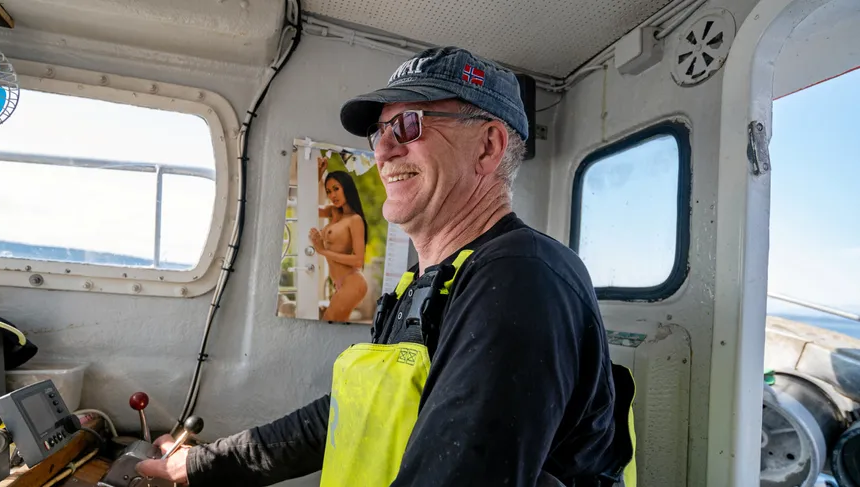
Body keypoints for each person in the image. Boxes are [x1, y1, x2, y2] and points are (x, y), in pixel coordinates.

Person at [136, 46, 635, 487]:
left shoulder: (521, 277)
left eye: (409, 125)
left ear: (488, 145)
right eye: (379, 131)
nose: (381, 148)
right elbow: (349, 416)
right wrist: (205, 465)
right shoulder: (425, 284)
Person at [308, 156, 369, 322]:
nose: (332, 195)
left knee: (326, 324)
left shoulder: (355, 220)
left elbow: (358, 260)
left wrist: (323, 251)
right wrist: (317, 176)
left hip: (353, 282)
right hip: (340, 283)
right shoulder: (333, 212)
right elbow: (309, 207)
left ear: (346, 188)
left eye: (336, 189)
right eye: (328, 191)